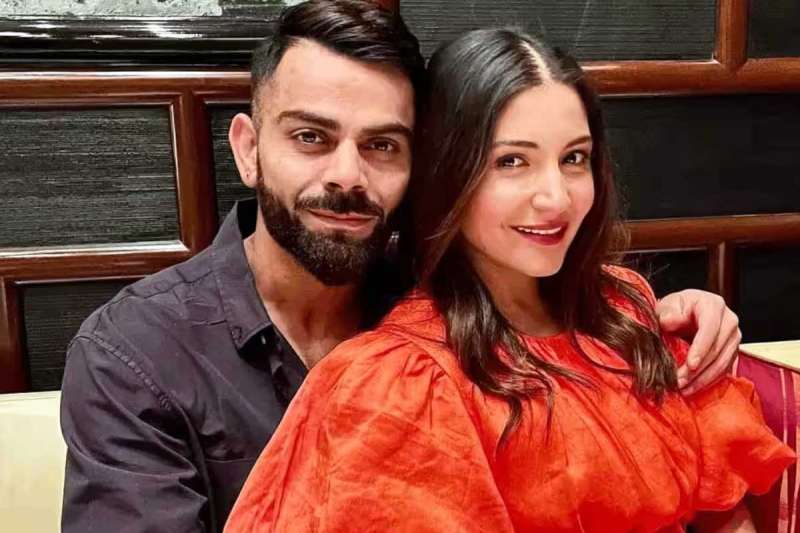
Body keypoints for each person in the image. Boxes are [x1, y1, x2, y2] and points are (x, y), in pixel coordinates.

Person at [60, 2, 742, 532]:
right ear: (249, 149)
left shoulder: (444, 290)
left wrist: (666, 316)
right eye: (310, 137)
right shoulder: (138, 353)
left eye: (382, 145)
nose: (347, 176)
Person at [224, 26, 794, 532]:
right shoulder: (399, 382)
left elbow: (724, 504)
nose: (555, 198)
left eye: (574, 158)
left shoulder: (623, 306)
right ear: (448, 173)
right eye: (511, 162)